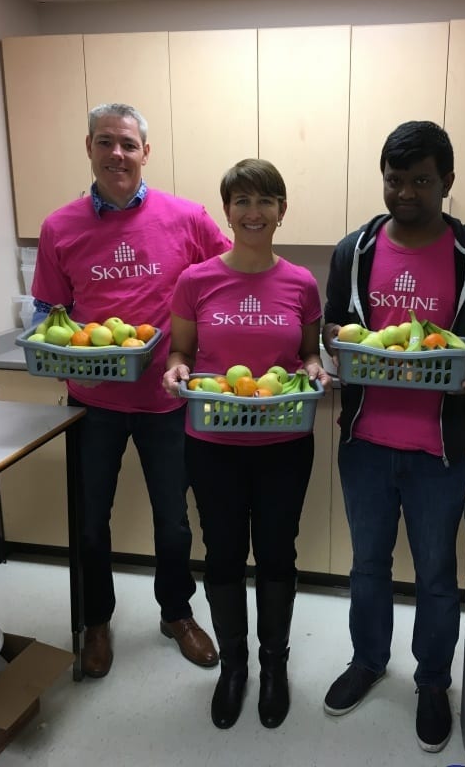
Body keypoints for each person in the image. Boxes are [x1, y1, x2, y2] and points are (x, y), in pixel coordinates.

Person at [321, 121, 465, 752]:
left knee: (436, 574)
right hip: (366, 444)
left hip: (438, 450)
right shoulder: (353, 251)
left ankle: (433, 681)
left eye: (421, 180)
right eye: (395, 179)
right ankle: (368, 660)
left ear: (448, 182)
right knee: (368, 566)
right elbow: (334, 330)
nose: (405, 193)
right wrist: (330, 344)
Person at [31, 102, 232, 679]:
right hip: (91, 404)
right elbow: (49, 312)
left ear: (146, 151)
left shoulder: (187, 217)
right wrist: (63, 350)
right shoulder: (59, 227)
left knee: (173, 520)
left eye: (126, 143)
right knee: (91, 521)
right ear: (89, 148)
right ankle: (97, 621)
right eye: (104, 142)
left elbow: (228, 277)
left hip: (166, 401)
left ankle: (176, 614)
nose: (116, 153)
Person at [162, 158, 332, 730]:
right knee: (224, 552)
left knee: (279, 551)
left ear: (282, 211)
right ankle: (234, 666)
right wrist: (176, 372)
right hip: (213, 440)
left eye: (265, 201)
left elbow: (307, 353)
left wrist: (315, 369)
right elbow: (181, 353)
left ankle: (274, 664)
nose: (253, 213)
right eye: (242, 201)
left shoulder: (302, 282)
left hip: (285, 439)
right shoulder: (197, 280)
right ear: (227, 211)